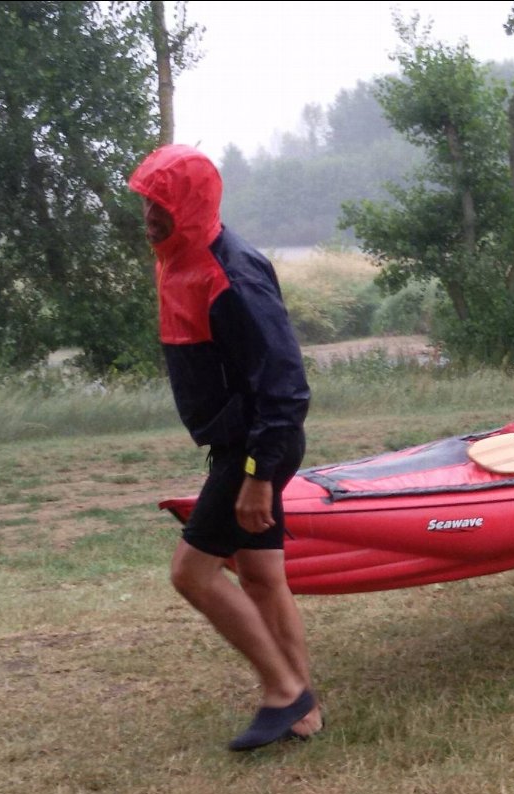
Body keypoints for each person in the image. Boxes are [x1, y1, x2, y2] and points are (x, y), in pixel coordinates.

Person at [129, 144, 321, 750]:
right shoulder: (179, 258)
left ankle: (281, 690)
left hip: (256, 442)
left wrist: (258, 474)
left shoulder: (231, 273)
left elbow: (285, 383)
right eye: (145, 203)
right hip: (238, 441)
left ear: (191, 204)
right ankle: (303, 710)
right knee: (262, 574)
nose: (149, 216)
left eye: (160, 204)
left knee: (193, 574)